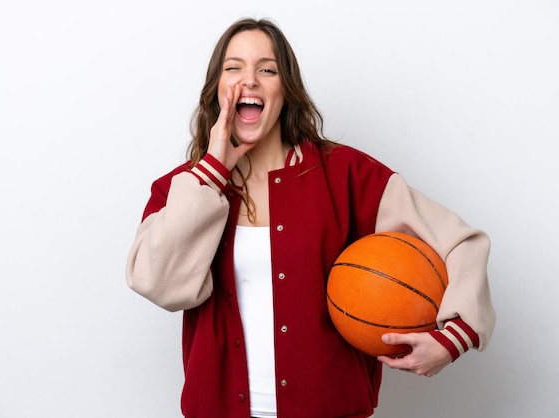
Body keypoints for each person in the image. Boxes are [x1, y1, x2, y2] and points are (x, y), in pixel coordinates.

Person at [126, 17, 495, 418]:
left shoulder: (348, 175)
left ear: (286, 90)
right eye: (234, 67)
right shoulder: (180, 188)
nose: (249, 80)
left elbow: (460, 241)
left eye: (267, 69)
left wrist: (455, 336)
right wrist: (213, 169)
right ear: (218, 88)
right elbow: (156, 282)